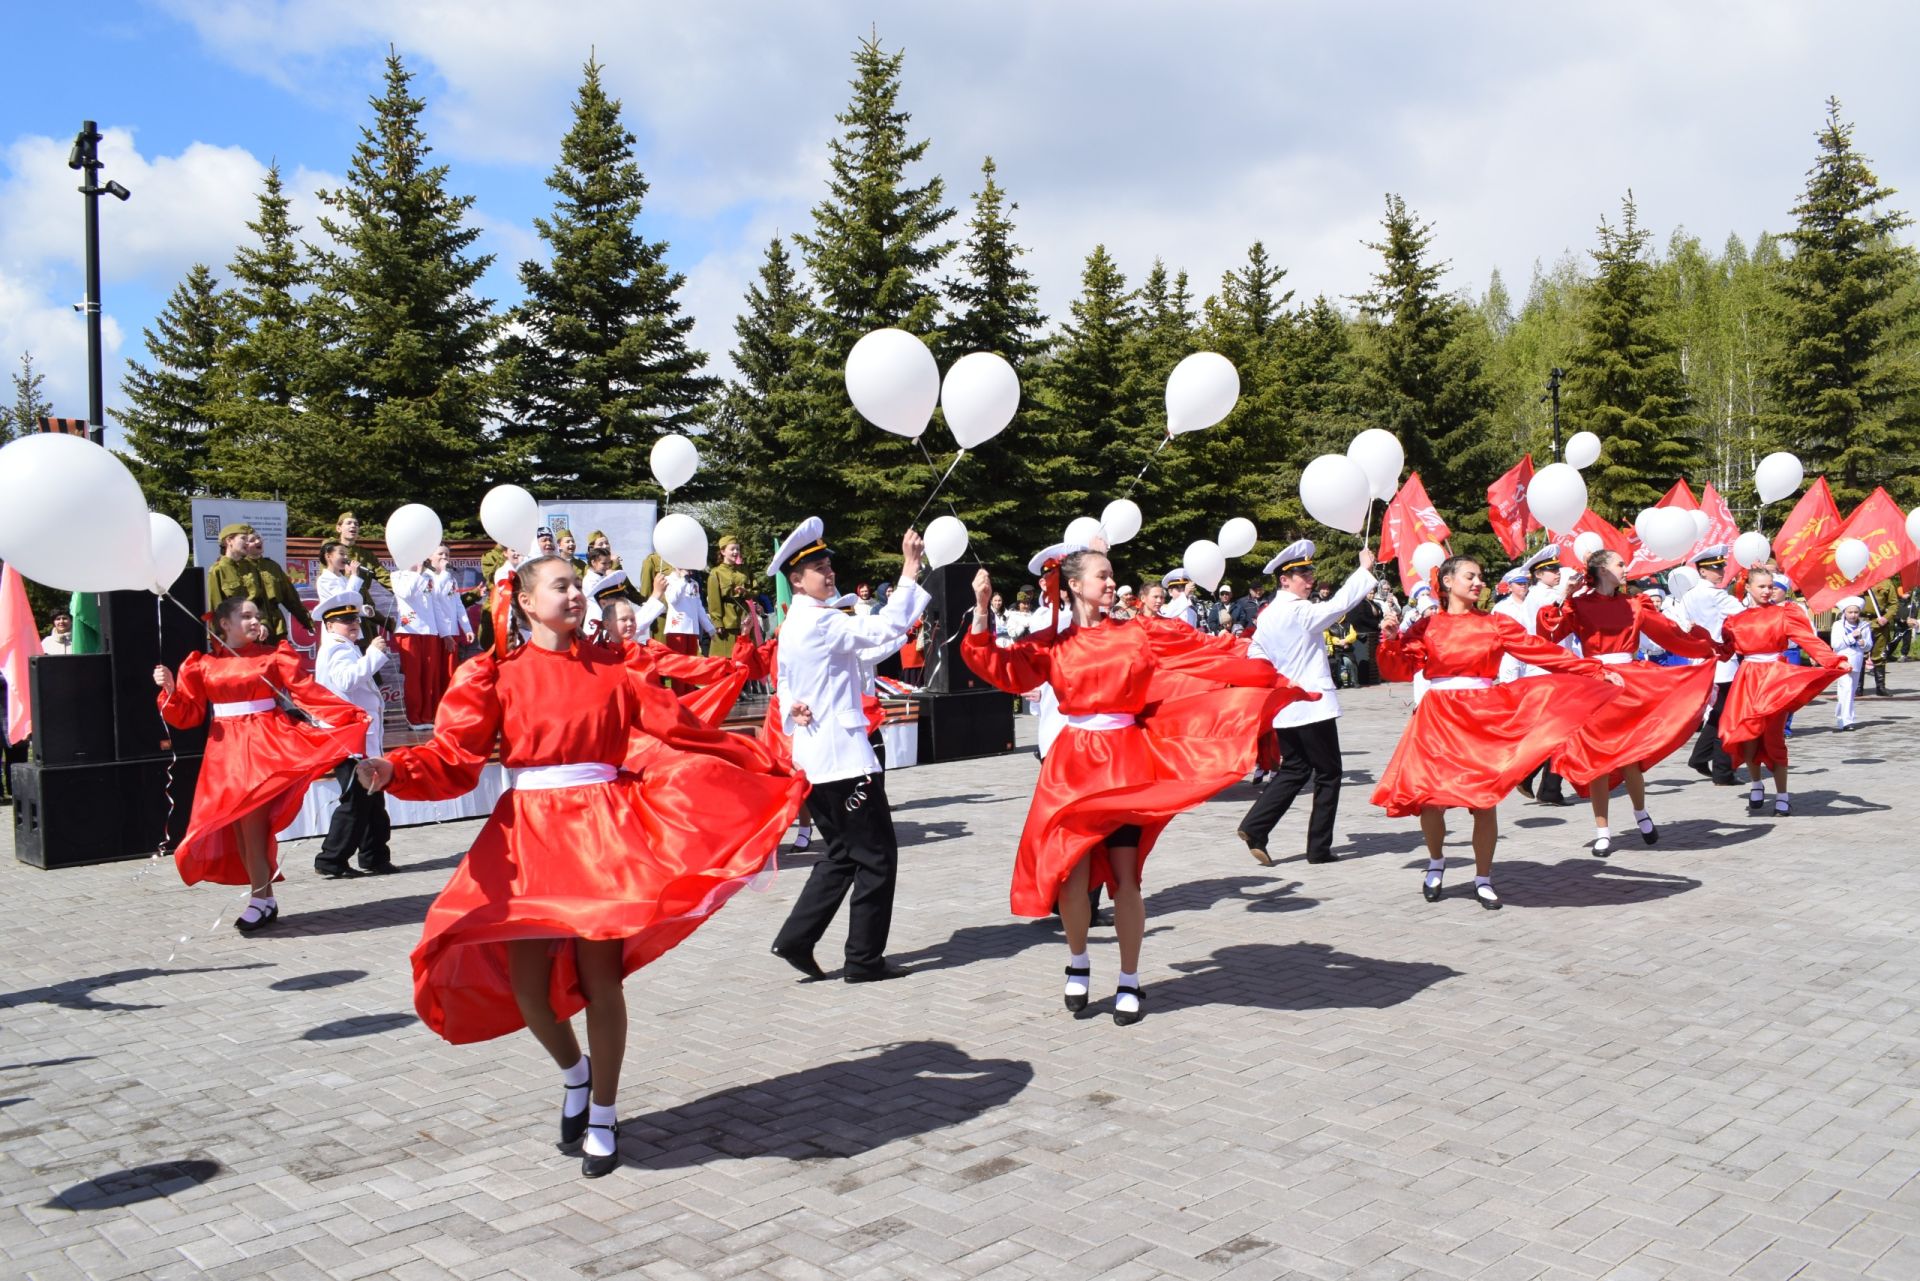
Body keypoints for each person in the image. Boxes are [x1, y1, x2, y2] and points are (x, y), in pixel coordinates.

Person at [354, 554, 804, 1178]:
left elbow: (685, 730)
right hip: (527, 837)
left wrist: (765, 760)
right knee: (528, 989)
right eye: (560, 586)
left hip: (599, 832)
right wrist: (393, 769)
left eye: (577, 586)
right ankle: (574, 1074)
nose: (573, 595)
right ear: (528, 601)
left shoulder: (614, 671)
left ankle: (605, 1111)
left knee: (602, 980)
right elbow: (455, 756)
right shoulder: (495, 675)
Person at [963, 543, 1313, 1025]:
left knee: (1127, 876)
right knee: (1072, 871)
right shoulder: (1053, 643)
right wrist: (982, 611)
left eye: (1112, 576)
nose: (1111, 583)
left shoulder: (1139, 633)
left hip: (1125, 761)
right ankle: (1079, 962)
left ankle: (1129, 977)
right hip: (1072, 766)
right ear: (1074, 585)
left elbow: (1203, 650)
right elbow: (1000, 668)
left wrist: (1259, 659)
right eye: (1102, 576)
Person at [1373, 556, 1622, 909]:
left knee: (1483, 800)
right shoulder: (1428, 626)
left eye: (1480, 576)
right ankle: (1437, 861)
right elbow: (1396, 669)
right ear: (1447, 582)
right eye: (1469, 576)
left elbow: (1542, 651)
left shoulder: (1496, 623)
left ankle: (1483, 877)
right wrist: (1390, 639)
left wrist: (1592, 669)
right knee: (1430, 800)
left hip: (1481, 715)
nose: (1478, 582)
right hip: (1439, 717)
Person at [768, 519, 930, 985]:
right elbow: (884, 625)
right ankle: (863, 959)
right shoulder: (820, 621)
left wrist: (793, 712)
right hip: (843, 761)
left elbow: (797, 681)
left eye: (828, 565)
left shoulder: (799, 621)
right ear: (797, 579)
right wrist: (910, 568)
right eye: (818, 569)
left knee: (842, 853)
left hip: (817, 759)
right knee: (877, 857)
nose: (828, 573)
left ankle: (797, 938)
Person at [153, 597, 368, 931]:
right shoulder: (201, 664)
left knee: (252, 827)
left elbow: (306, 691)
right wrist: (169, 690)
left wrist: (345, 716)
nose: (255, 621)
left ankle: (259, 898)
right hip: (224, 752)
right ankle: (264, 898)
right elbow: (188, 714)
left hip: (263, 746)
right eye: (246, 616)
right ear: (224, 624)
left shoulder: (273, 655)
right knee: (237, 826)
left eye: (257, 615)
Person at [1536, 549, 1719, 856]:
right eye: (1619, 563)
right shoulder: (1578, 604)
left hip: (1630, 684)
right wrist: (1561, 595)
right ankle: (1602, 831)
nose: (1625, 567)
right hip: (1595, 682)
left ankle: (1640, 812)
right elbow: (1548, 634)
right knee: (1598, 761)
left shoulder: (1634, 604)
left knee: (1630, 757)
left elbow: (1668, 633)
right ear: (1602, 570)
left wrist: (1705, 646)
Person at [1236, 541, 1378, 868]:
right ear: (1284, 580)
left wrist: (1278, 680)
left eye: (1310, 572)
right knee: (1328, 772)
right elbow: (1338, 605)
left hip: (1287, 706)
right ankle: (1318, 848)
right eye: (1302, 573)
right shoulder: (1297, 610)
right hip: (1312, 704)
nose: (1309, 578)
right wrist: (1363, 571)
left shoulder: (1269, 614)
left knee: (1296, 769)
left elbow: (1257, 655)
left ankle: (1255, 827)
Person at [1718, 572, 1849, 814]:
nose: (1767, 591)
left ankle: (1782, 794)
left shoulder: (1783, 614)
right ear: (1747, 587)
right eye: (1762, 586)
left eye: (1771, 586)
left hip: (1774, 679)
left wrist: (1833, 660)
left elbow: (1808, 640)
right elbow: (1724, 652)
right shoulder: (1734, 621)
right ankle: (1756, 784)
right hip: (1747, 680)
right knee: (1747, 735)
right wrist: (1698, 639)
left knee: (1773, 738)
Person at [313, 591, 394, 877]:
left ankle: (374, 856)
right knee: (357, 801)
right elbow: (346, 681)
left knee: (372, 799)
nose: (354, 624)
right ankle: (331, 860)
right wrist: (374, 653)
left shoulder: (344, 645)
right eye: (346, 620)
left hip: (359, 736)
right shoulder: (336, 647)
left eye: (355, 619)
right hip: (350, 738)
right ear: (330, 625)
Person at [1682, 546, 1745, 786]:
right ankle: (1722, 771)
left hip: (1703, 661)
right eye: (1715, 567)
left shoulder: (1689, 595)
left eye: (1721, 566)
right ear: (1702, 571)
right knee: (1726, 715)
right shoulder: (1716, 595)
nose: (1721, 571)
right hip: (1723, 662)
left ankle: (1700, 757)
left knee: (1718, 713)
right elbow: (1745, 616)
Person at [206, 523, 315, 643]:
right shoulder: (217, 570)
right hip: (239, 634)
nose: (247, 543)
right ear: (229, 541)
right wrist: (217, 640)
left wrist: (262, 623)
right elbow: (216, 608)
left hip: (269, 628)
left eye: (249, 540)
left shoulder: (253, 568)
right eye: (244, 539)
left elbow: (261, 601)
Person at [389, 559, 445, 730]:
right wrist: (417, 572)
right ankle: (414, 718)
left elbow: (436, 606)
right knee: (413, 677)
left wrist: (445, 632)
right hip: (409, 630)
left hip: (430, 631)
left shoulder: (429, 576)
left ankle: (428, 716)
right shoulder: (397, 575)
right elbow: (406, 593)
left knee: (430, 676)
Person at [706, 536, 753, 658]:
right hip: (727, 622)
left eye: (737, 549)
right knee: (725, 658)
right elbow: (713, 601)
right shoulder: (716, 573)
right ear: (723, 552)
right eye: (732, 549)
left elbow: (755, 591)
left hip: (744, 621)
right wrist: (718, 623)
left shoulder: (744, 571)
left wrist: (745, 592)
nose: (736, 552)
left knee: (745, 657)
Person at [1830, 597, 1871, 730]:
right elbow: (1835, 644)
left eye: (1856, 612)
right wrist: (1851, 637)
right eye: (1850, 612)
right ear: (1844, 613)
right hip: (1843, 661)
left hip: (1857, 661)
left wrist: (1864, 643)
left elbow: (1869, 645)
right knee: (1846, 688)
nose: (1853, 615)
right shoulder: (1838, 625)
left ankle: (1841, 717)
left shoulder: (1864, 626)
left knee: (1850, 692)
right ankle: (1848, 721)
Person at [333, 512, 393, 591]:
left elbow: (384, 577)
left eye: (356, 524)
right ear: (339, 528)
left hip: (362, 601)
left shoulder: (366, 555)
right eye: (349, 523)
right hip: (339, 600)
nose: (353, 526)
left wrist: (405, 590)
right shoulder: (331, 551)